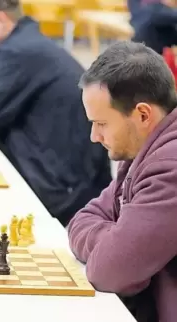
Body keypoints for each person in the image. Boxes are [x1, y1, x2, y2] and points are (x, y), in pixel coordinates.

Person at [0, 0, 112, 226]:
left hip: (63, 186)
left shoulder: (18, 51)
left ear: (0, 20)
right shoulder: (27, 42)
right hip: (75, 175)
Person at [68, 41, 177, 322]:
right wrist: (115, 237)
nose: (94, 136)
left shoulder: (168, 166)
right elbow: (82, 219)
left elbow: (109, 270)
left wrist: (118, 243)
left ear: (142, 114)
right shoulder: (145, 148)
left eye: (102, 123)